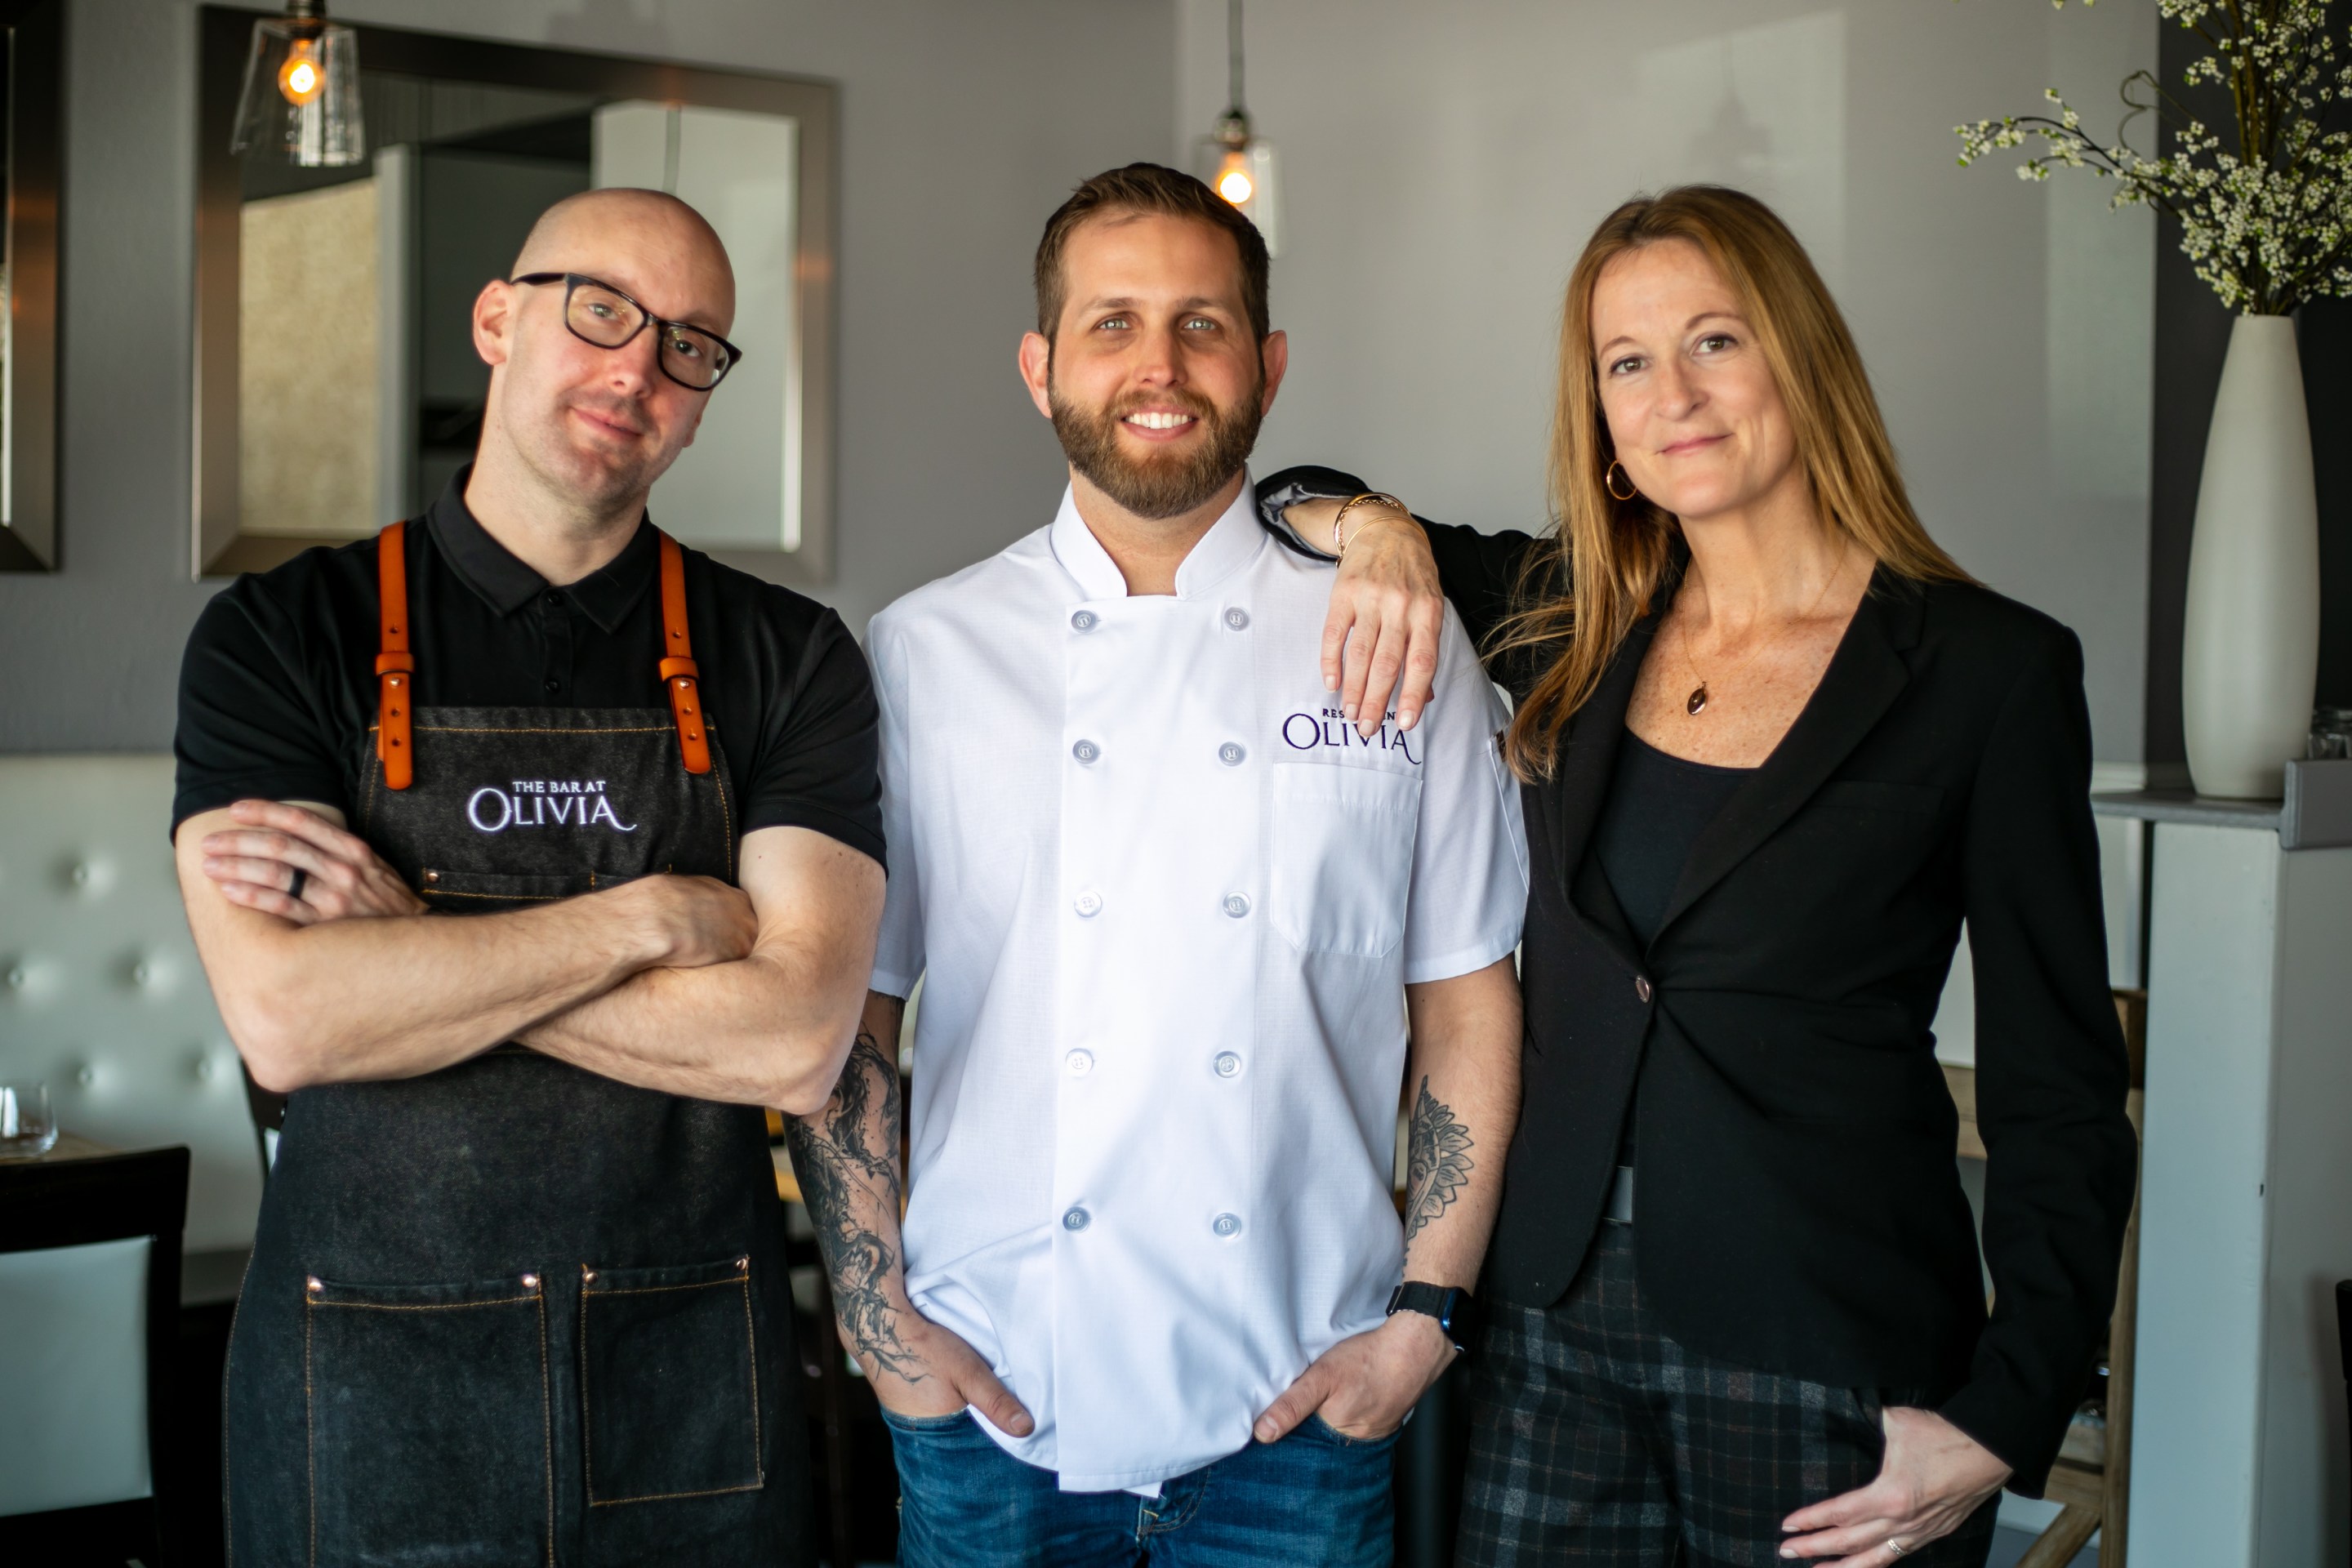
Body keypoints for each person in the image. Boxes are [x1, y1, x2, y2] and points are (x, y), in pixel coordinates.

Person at [1262, 185, 2139, 1567]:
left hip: (1831, 1347)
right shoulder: (1569, 615)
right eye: (1626, 362)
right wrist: (1383, 533)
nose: (1673, 393)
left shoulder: (1991, 671)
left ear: (1801, 356)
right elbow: (1284, 496)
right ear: (1603, 422)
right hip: (1548, 1331)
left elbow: (2061, 1083)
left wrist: (2007, 1408)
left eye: (1714, 340)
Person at [782, 163, 1528, 1567]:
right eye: (1112, 322)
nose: (1161, 365)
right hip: (992, 1399)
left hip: (1306, 1401)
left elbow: (1466, 998)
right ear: (1040, 368)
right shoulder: (923, 653)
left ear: (1270, 365)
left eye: (1203, 324)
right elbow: (850, 1012)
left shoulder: (1399, 643)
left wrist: (1428, 1317)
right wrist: (881, 1327)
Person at [172, 188, 886, 1567]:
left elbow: (796, 1043)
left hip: (691, 1384)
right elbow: (293, 1022)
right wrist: (649, 920)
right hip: (367, 1387)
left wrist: (415, 942)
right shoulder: (280, 634)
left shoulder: (790, 656)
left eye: (689, 345)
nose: (639, 368)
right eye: (601, 310)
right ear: (498, 320)